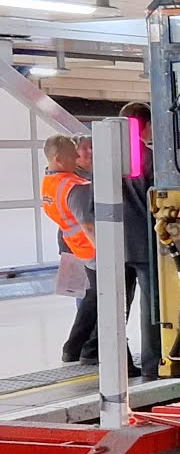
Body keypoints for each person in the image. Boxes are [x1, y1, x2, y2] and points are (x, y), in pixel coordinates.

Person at [42, 134, 98, 365]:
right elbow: (87, 224)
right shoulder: (75, 185)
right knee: (94, 297)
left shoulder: (50, 181)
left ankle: (77, 348)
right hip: (88, 247)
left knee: (89, 296)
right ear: (58, 158)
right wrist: (105, 251)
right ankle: (79, 347)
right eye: (76, 152)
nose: (79, 156)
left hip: (73, 243)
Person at [121, 102, 161, 379]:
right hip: (145, 243)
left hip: (115, 245)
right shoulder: (151, 159)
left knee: (116, 307)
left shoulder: (106, 160)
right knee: (151, 306)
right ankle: (152, 363)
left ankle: (118, 363)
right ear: (145, 125)